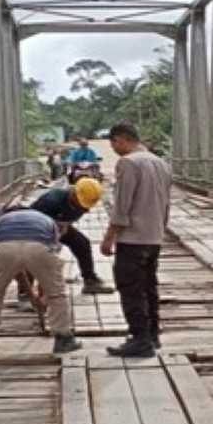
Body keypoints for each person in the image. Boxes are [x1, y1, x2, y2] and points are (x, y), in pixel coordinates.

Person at [0, 209, 81, 355]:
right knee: (57, 293)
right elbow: (48, 268)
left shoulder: (1, 220)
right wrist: (42, 296)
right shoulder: (46, 220)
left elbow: (13, 263)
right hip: (38, 247)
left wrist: (32, 296)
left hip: (3, 249)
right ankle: (63, 338)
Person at [102, 121, 172, 358]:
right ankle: (152, 334)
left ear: (120, 139)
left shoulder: (128, 163)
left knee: (130, 288)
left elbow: (122, 206)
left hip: (133, 237)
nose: (114, 150)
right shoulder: (161, 162)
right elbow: (166, 203)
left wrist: (109, 238)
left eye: (114, 144)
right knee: (149, 286)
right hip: (154, 236)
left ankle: (139, 339)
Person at [30, 178, 114, 294]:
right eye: (81, 205)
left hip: (60, 226)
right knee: (32, 254)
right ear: (73, 193)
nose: (84, 208)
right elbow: (33, 220)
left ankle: (90, 281)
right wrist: (54, 238)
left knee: (82, 243)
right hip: (35, 230)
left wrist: (64, 227)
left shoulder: (83, 204)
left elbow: (69, 219)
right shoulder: (52, 200)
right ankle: (26, 292)